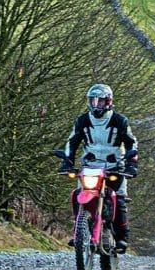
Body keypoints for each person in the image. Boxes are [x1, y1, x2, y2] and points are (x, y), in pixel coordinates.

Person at [59, 83, 139, 252]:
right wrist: (67, 161)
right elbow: (72, 141)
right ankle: (79, 231)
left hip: (115, 166)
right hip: (90, 167)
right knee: (78, 195)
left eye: (100, 101)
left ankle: (122, 237)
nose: (96, 105)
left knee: (120, 199)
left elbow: (132, 143)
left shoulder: (120, 121)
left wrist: (132, 164)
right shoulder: (82, 120)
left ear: (108, 101)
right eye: (93, 101)